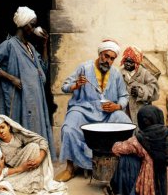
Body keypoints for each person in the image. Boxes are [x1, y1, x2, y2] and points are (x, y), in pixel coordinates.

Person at [55, 39, 131, 182]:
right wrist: (76, 85)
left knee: (125, 123)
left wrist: (117, 106)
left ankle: (121, 165)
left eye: (112, 59)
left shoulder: (115, 74)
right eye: (106, 56)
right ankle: (70, 168)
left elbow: (124, 96)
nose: (108, 61)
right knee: (68, 128)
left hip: (107, 112)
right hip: (83, 108)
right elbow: (64, 86)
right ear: (100, 53)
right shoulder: (84, 68)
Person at [0, 6, 56, 159]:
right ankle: (22, 160)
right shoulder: (9, 44)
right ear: (23, 25)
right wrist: (11, 78)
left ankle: (36, 159)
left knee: (36, 128)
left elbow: (43, 67)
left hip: (36, 97)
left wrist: (44, 45)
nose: (34, 28)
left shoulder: (30, 47)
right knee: (21, 127)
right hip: (20, 97)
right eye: (32, 24)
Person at [0, 114, 67, 195]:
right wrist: (21, 168)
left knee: (33, 146)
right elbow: (0, 170)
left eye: (3, 127)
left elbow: (42, 141)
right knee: (2, 182)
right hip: (14, 171)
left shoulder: (18, 136)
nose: (1, 131)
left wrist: (39, 159)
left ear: (9, 126)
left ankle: (32, 176)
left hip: (27, 165)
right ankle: (26, 179)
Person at [120, 46, 159, 125]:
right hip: (125, 109)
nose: (127, 64)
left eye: (131, 62)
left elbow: (154, 88)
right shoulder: (120, 73)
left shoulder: (144, 73)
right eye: (126, 61)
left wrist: (141, 91)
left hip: (140, 108)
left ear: (137, 62)